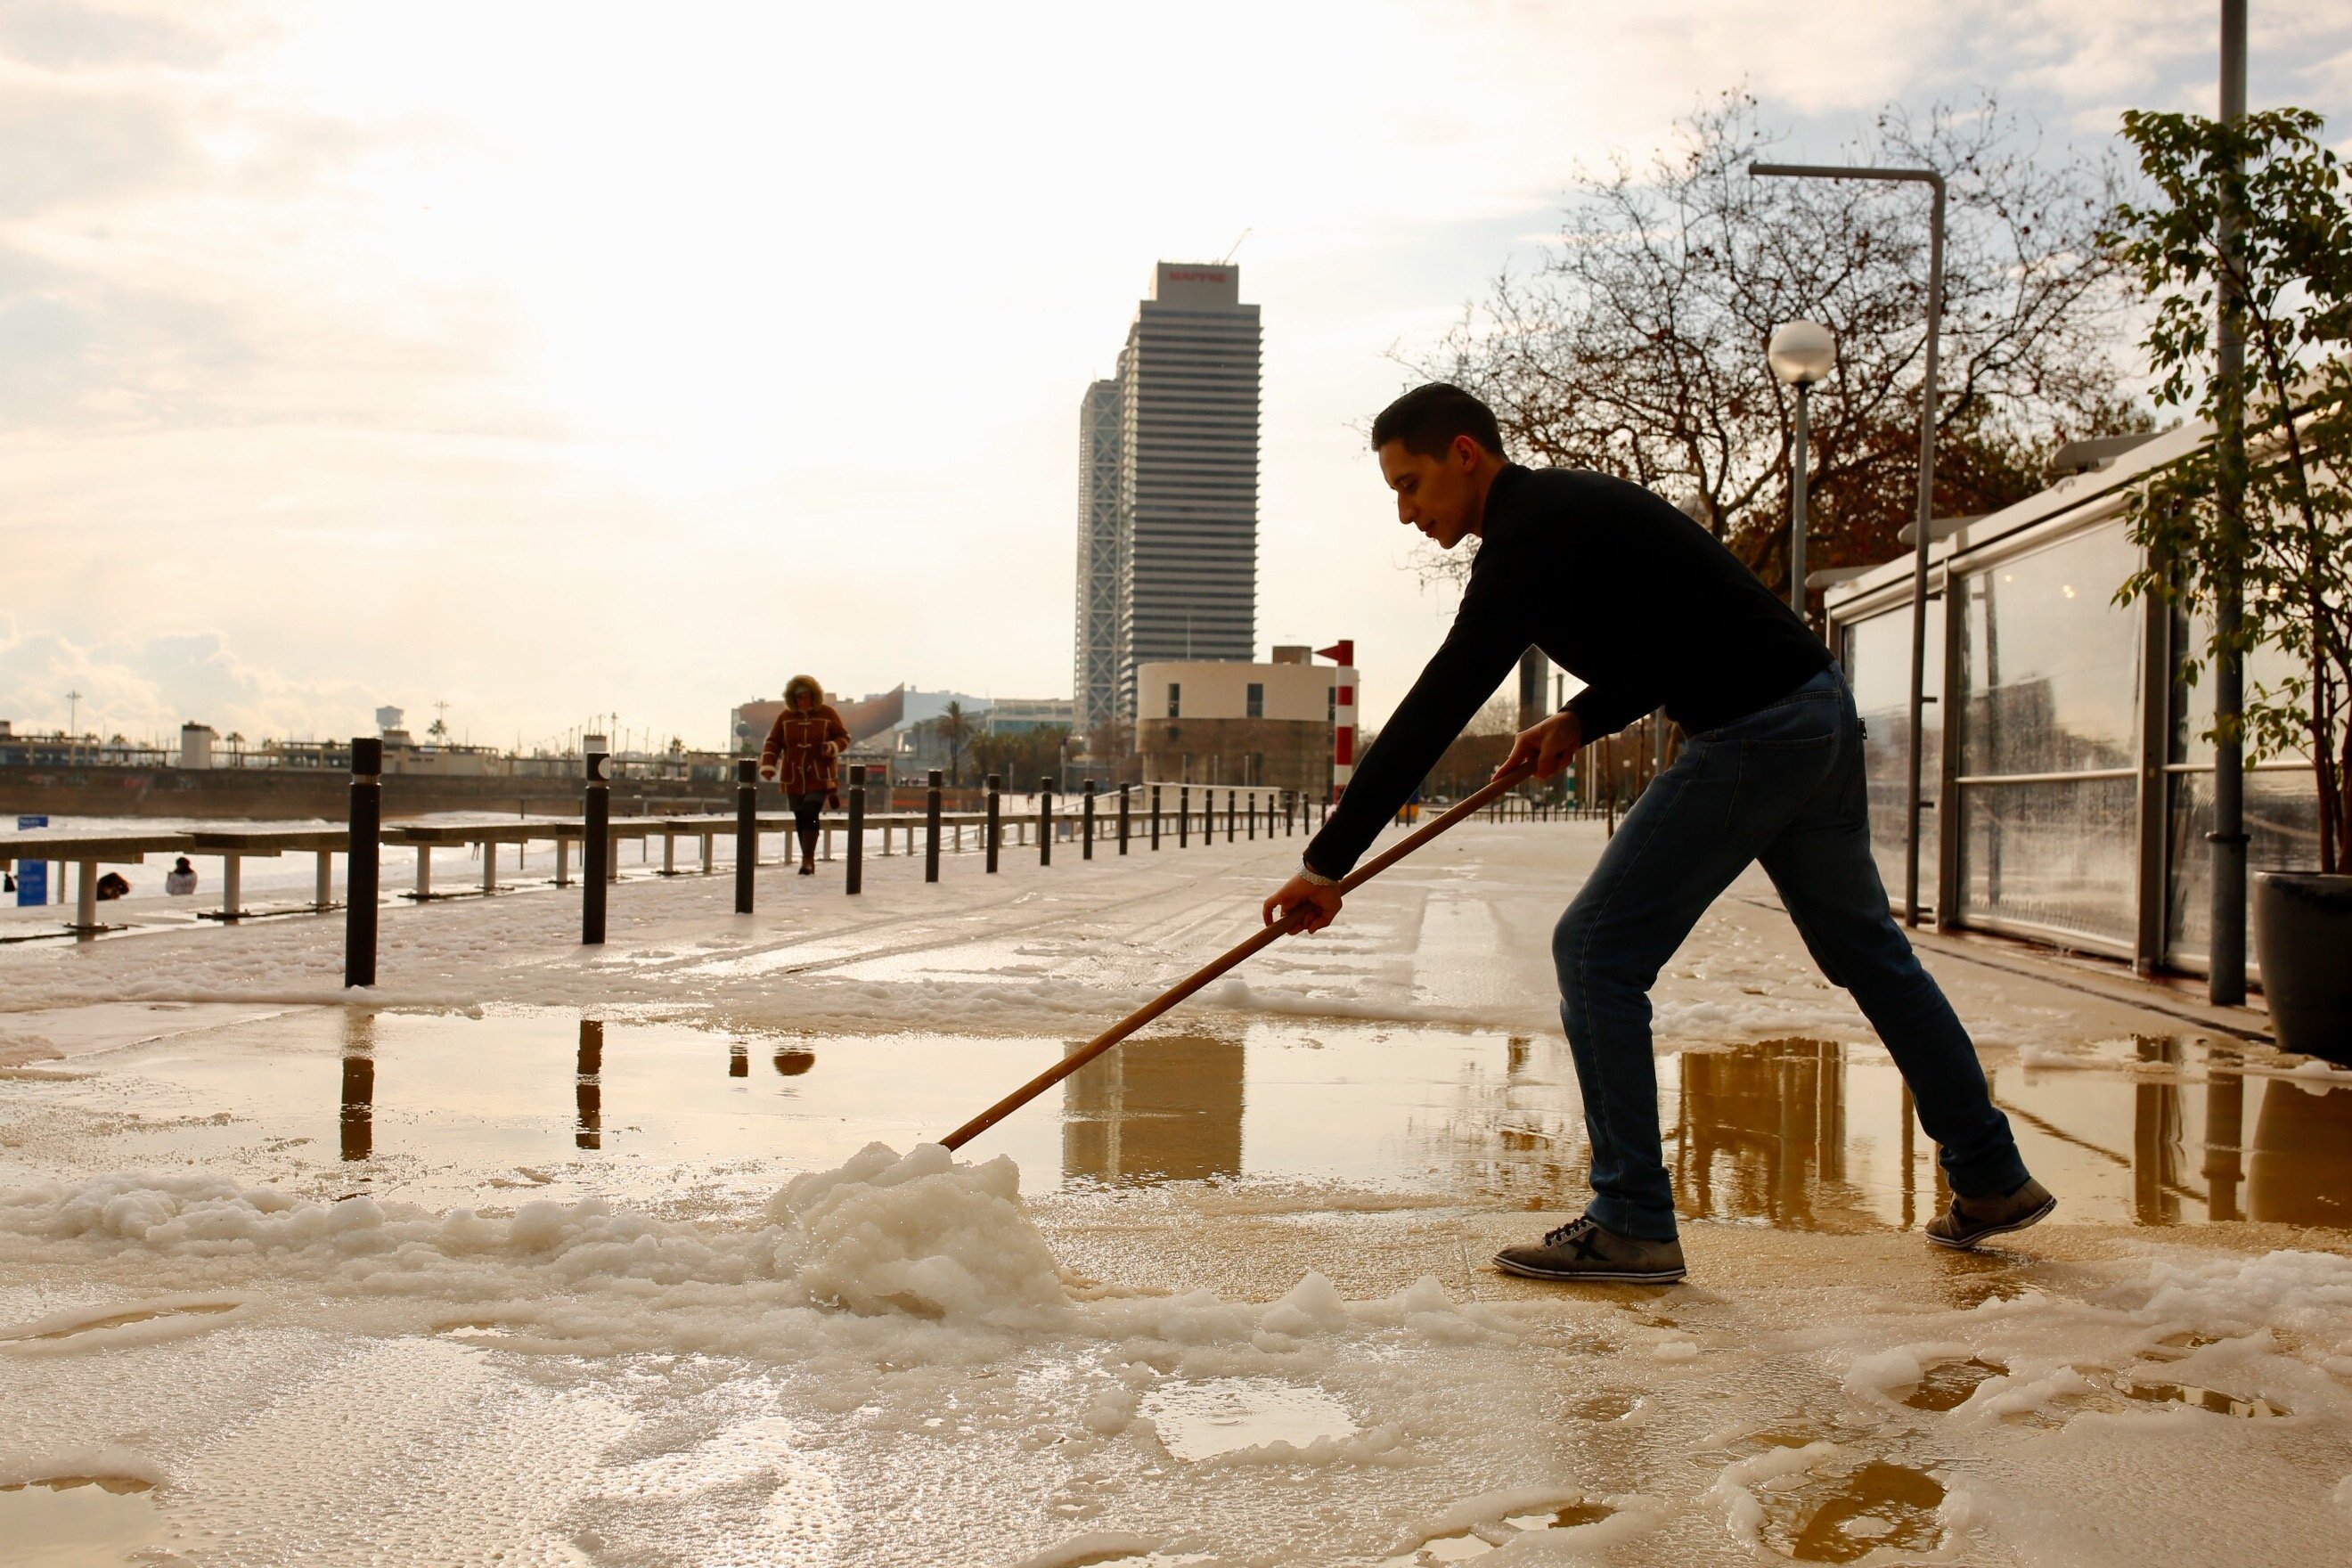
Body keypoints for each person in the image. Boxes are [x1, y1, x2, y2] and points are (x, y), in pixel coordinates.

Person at [1262, 382, 2050, 1286]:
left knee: (1596, 948)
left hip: (1754, 728)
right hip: (1812, 709)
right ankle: (1988, 1173)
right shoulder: (1564, 513)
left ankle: (1631, 1215)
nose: (1406, 512)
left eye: (1410, 484)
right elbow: (1677, 638)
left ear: (1465, 456)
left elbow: (1438, 703)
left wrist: (1326, 863)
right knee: (1867, 951)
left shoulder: (1524, 540)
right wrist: (1581, 719)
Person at [758, 675, 851, 876]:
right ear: (793, 698)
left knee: (811, 812)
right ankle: (806, 855)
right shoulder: (785, 717)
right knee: (800, 817)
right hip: (793, 775)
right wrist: (768, 765)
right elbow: (773, 742)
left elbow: (844, 737)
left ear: (814, 696)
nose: (803, 700)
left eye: (806, 696)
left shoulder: (828, 714)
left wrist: (832, 746)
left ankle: (808, 859)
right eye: (799, 697)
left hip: (820, 774)